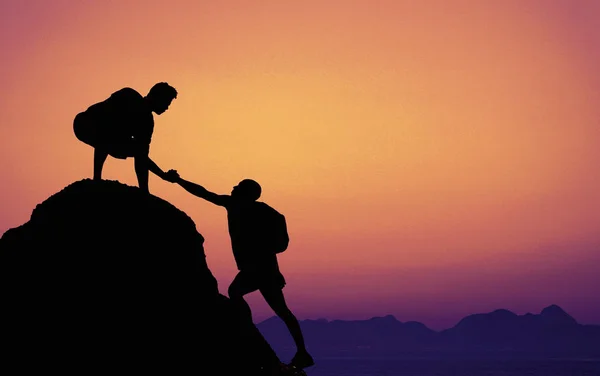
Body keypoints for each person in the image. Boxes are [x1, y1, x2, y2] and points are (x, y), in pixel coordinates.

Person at [168, 172, 315, 370]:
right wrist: (179, 181)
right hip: (264, 268)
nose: (233, 187)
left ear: (246, 192)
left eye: (238, 186)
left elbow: (204, 193)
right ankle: (302, 351)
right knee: (279, 309)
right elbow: (204, 193)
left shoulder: (240, 206)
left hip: (259, 268)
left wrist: (178, 180)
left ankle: (248, 324)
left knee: (238, 293)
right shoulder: (261, 211)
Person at [73, 82, 179, 193]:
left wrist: (160, 177)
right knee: (108, 130)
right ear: (157, 97)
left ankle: (142, 191)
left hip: (110, 136)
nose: (167, 107)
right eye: (167, 102)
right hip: (84, 123)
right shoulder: (129, 95)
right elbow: (104, 126)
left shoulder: (147, 123)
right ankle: (97, 179)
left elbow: (142, 157)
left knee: (138, 149)